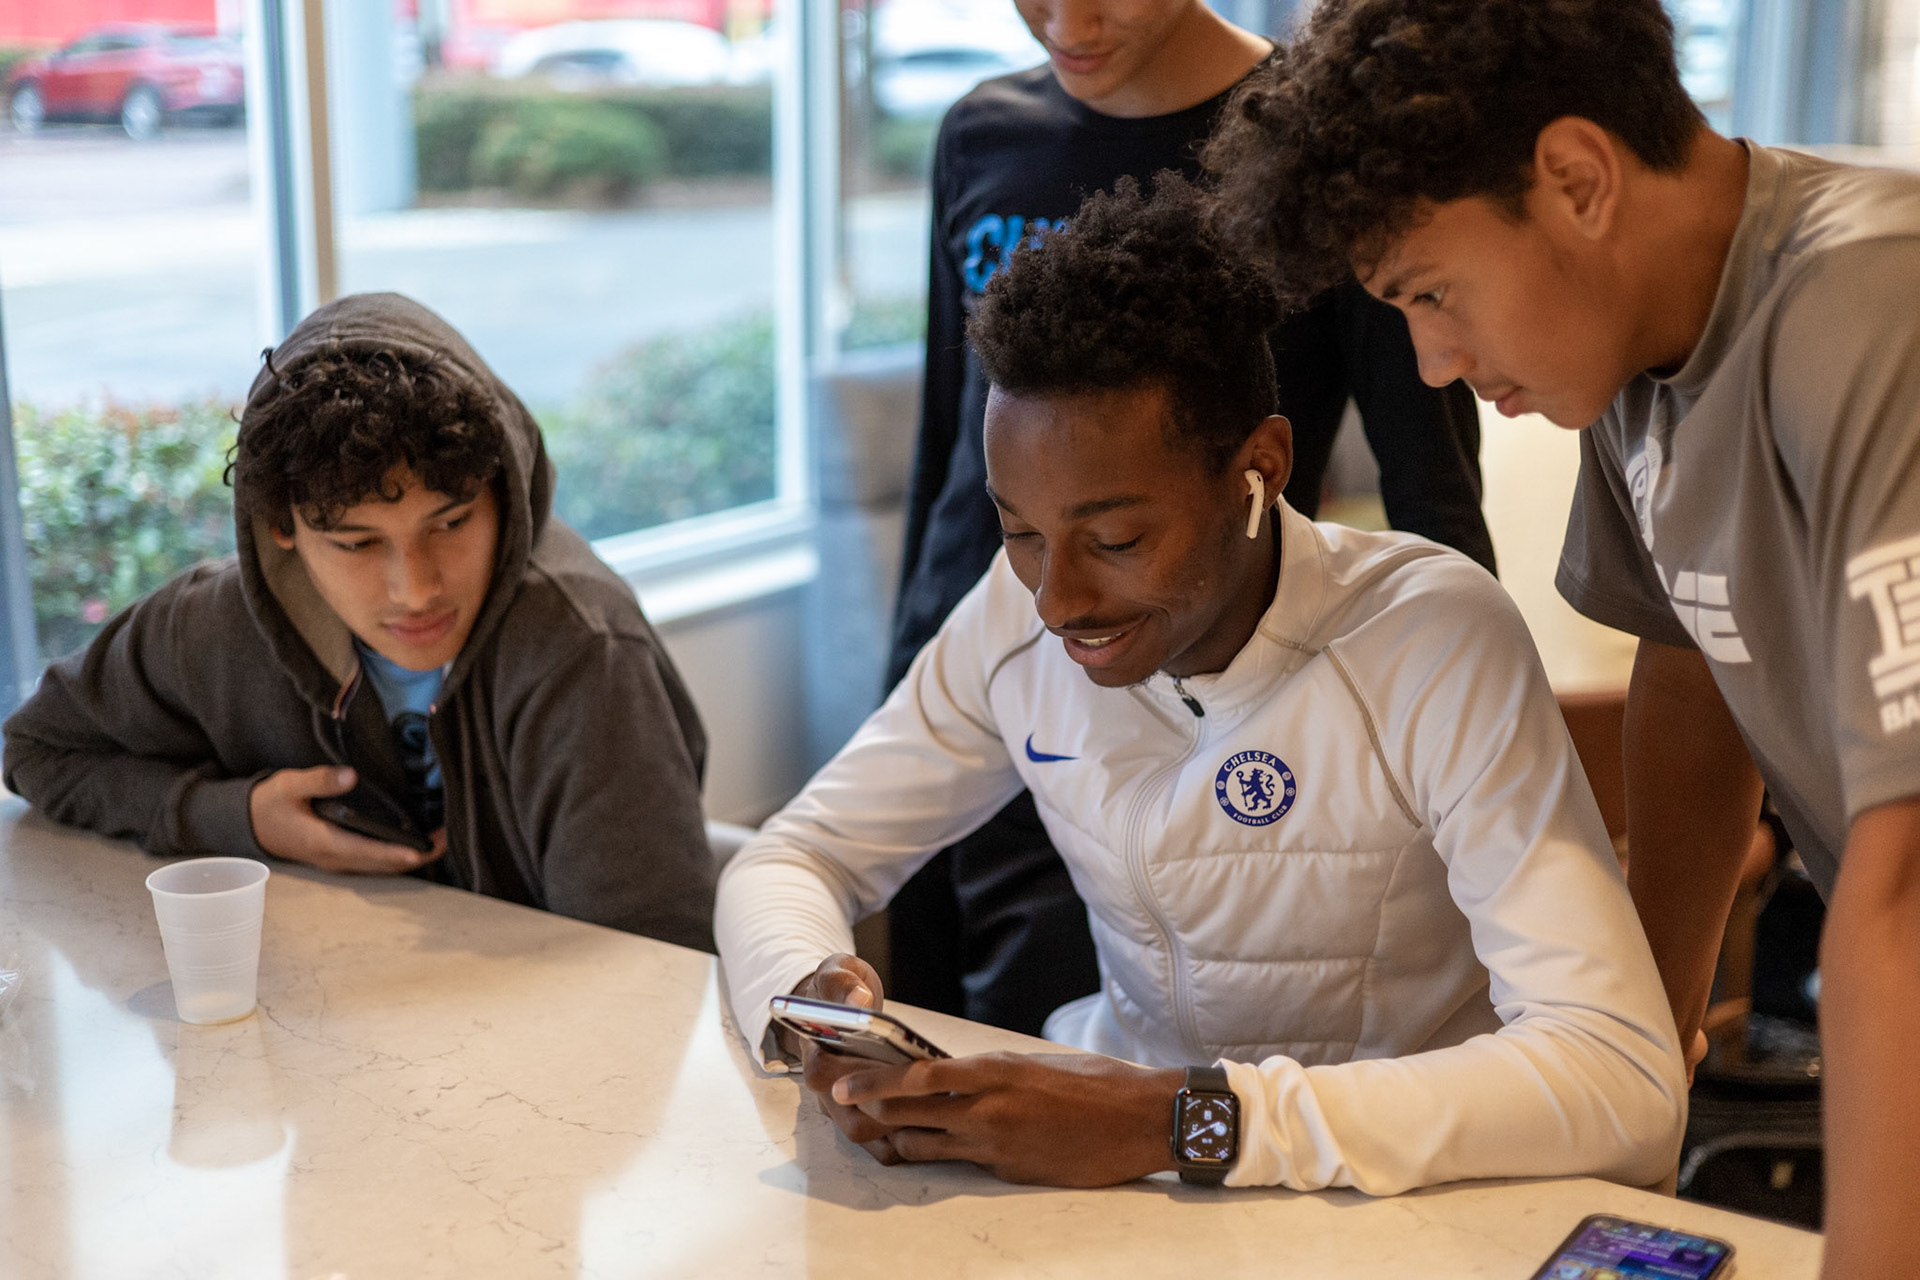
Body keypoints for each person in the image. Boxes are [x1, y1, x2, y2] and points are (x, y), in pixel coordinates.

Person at [716, 178, 1683, 1192]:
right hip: (1128, 1183)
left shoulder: (1430, 639)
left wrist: (1184, 1120)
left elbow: (1621, 1079)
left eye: (1116, 538)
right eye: (1021, 532)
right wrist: (810, 998)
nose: (1057, 599)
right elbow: (794, 854)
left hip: (1382, 1203)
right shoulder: (1013, 620)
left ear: (1260, 466)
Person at [1204, 0, 1920, 1269]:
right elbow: (1694, 673)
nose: (1433, 361)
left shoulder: (1871, 305)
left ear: (1579, 180)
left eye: (1433, 292)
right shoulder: (1633, 349)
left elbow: (1905, 877)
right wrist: (1645, 1051)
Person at [886, 0, 1496, 1038]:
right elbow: (947, 447)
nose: (1067, 20)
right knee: (959, 1045)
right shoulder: (981, 133)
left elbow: (1432, 495)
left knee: (1137, 1064)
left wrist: (1449, 757)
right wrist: (910, 660)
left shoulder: (1319, 143)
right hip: (986, 666)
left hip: (1201, 708)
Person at [3, 292, 716, 951]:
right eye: (357, 544)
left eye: (452, 522)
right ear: (280, 525)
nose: (417, 589)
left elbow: (655, 966)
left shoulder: (586, 649)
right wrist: (239, 818)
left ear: (505, 494)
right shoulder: (208, 629)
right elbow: (38, 751)